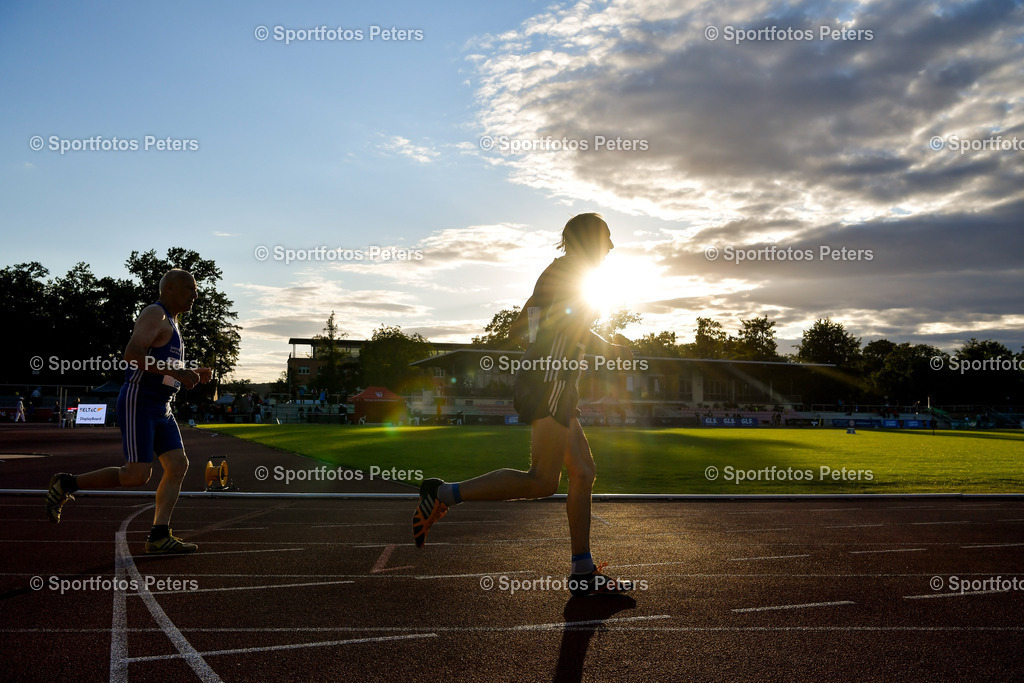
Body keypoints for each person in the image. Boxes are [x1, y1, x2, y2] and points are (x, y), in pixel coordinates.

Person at [412, 213, 634, 596]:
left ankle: (582, 569)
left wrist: (548, 353)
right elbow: (565, 327)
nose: (612, 247)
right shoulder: (570, 275)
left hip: (553, 383)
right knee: (542, 481)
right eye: (607, 239)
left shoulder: (560, 273)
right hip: (550, 383)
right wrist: (566, 356)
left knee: (582, 473)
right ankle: (443, 493)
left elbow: (521, 328)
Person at [44, 269, 212, 554]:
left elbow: (162, 368)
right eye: (190, 289)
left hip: (162, 406)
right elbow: (132, 355)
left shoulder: (173, 322)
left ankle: (159, 535)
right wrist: (179, 370)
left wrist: (190, 372)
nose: (196, 295)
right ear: (169, 288)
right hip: (141, 401)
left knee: (178, 465)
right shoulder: (154, 314)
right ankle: (67, 482)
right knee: (136, 475)